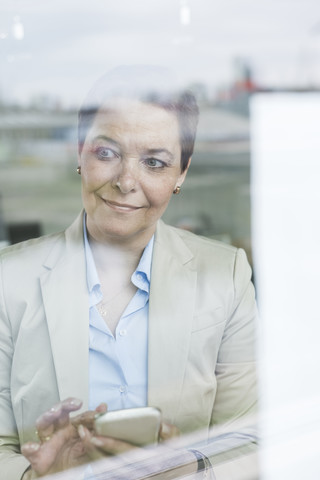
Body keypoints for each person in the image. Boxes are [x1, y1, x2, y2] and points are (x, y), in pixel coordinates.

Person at [0, 66, 258, 480]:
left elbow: (250, 440)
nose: (125, 181)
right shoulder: (8, 280)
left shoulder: (225, 274)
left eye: (155, 162)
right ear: (80, 153)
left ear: (182, 173)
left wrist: (186, 468)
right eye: (107, 153)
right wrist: (40, 477)